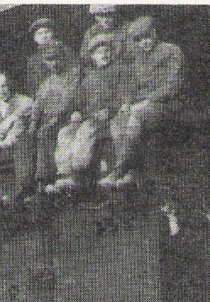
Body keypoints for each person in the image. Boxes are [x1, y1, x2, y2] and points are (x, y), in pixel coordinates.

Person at [105, 15, 185, 187]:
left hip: (167, 104)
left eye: (147, 37)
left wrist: (148, 100)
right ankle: (132, 172)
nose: (144, 42)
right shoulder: (137, 58)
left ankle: (119, 170)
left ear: (154, 33)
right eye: (139, 40)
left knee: (137, 115)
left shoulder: (171, 51)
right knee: (117, 121)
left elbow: (173, 85)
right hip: (142, 105)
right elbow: (131, 86)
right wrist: (126, 103)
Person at [50, 33, 130, 192]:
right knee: (65, 132)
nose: (104, 54)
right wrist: (76, 112)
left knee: (89, 130)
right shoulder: (89, 79)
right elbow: (77, 102)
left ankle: (82, 172)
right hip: (90, 117)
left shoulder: (120, 71)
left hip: (111, 116)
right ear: (92, 55)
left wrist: (110, 110)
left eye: (107, 50)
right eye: (99, 52)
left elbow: (125, 95)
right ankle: (67, 174)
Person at [29, 44, 81, 191]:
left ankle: (55, 178)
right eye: (50, 60)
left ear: (62, 58)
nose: (54, 63)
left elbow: (69, 99)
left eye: (56, 58)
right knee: (36, 135)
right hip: (50, 120)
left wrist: (55, 119)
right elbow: (38, 104)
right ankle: (42, 182)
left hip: (68, 117)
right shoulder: (46, 82)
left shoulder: (73, 74)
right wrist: (33, 122)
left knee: (48, 133)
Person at [0, 72, 34, 155]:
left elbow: (29, 102)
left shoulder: (20, 99)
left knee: (19, 120)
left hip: (19, 146)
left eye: (3, 86)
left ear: (8, 85)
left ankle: (3, 145)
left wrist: (11, 118)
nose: (2, 91)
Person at [26, 18, 74, 96]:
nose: (44, 36)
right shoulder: (33, 61)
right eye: (39, 33)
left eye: (47, 32)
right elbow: (33, 88)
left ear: (53, 33)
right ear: (35, 38)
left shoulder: (65, 51)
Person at [79, 5, 130, 72]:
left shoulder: (126, 29)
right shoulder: (91, 33)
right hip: (99, 71)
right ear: (95, 17)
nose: (105, 19)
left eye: (108, 15)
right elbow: (84, 58)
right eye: (100, 16)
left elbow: (131, 52)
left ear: (114, 14)